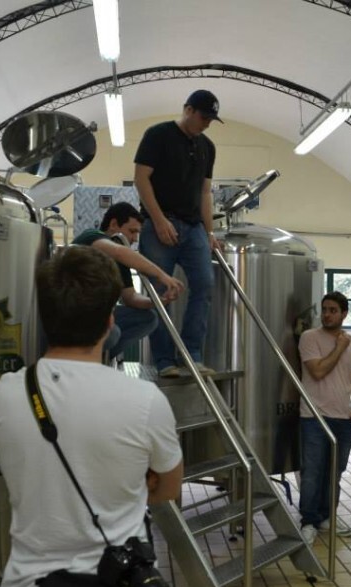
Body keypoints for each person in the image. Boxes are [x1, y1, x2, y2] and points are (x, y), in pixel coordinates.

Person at [0, 246, 183, 587]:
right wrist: (134, 480)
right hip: (115, 585)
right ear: (111, 321)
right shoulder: (145, 401)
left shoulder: (5, 392)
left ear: (44, 316)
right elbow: (167, 490)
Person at [134, 89, 224, 378]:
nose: (206, 123)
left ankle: (191, 354)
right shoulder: (158, 135)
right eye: (203, 116)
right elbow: (141, 178)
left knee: (205, 285)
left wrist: (209, 232)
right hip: (160, 224)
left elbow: (205, 192)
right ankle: (164, 360)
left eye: (211, 119)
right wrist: (158, 220)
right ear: (187, 109)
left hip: (193, 226)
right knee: (161, 292)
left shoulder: (207, 147)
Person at [297, 292, 351, 544]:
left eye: (333, 310)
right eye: (324, 309)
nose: (327, 314)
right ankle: (308, 521)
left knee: (334, 472)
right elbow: (318, 371)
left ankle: (326, 517)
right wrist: (339, 347)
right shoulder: (309, 338)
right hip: (314, 417)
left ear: (344, 313)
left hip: (342, 418)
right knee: (312, 471)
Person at [73, 202, 167, 362]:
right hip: (72, 313)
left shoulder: (120, 260)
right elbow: (119, 252)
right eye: (132, 231)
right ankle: (88, 359)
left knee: (149, 319)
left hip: (99, 314)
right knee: (112, 332)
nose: (134, 238)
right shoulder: (92, 236)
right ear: (114, 224)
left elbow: (130, 298)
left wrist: (156, 301)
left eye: (137, 233)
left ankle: (102, 358)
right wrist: (162, 275)